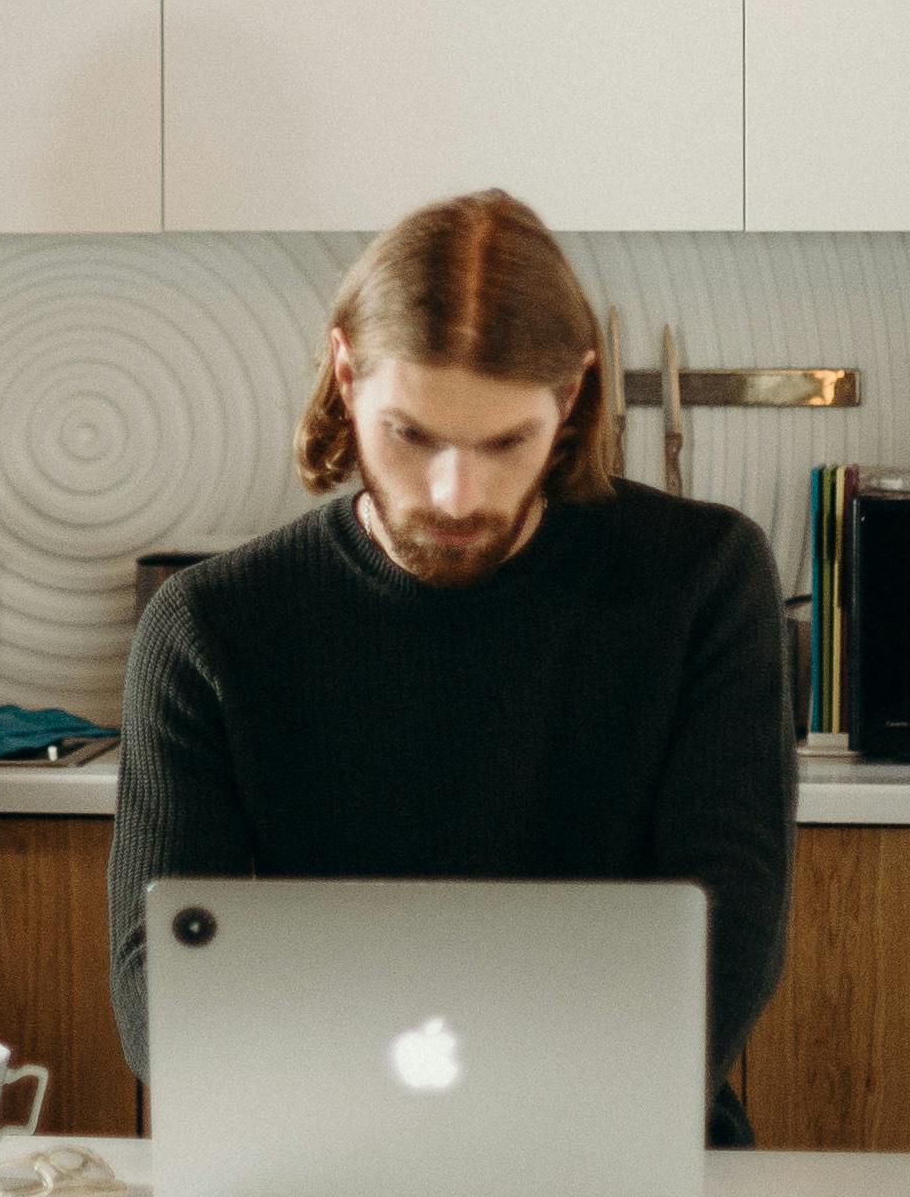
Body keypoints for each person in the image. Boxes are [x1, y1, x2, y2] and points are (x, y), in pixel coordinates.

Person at [108, 190, 796, 1147]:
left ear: (572, 398)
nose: (456, 495)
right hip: (323, 1152)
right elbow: (161, 990)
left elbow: (730, 929)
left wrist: (549, 1135)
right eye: (412, 433)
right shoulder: (209, 627)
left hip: (624, 1145)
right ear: (345, 374)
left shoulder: (702, 579)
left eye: (505, 442)